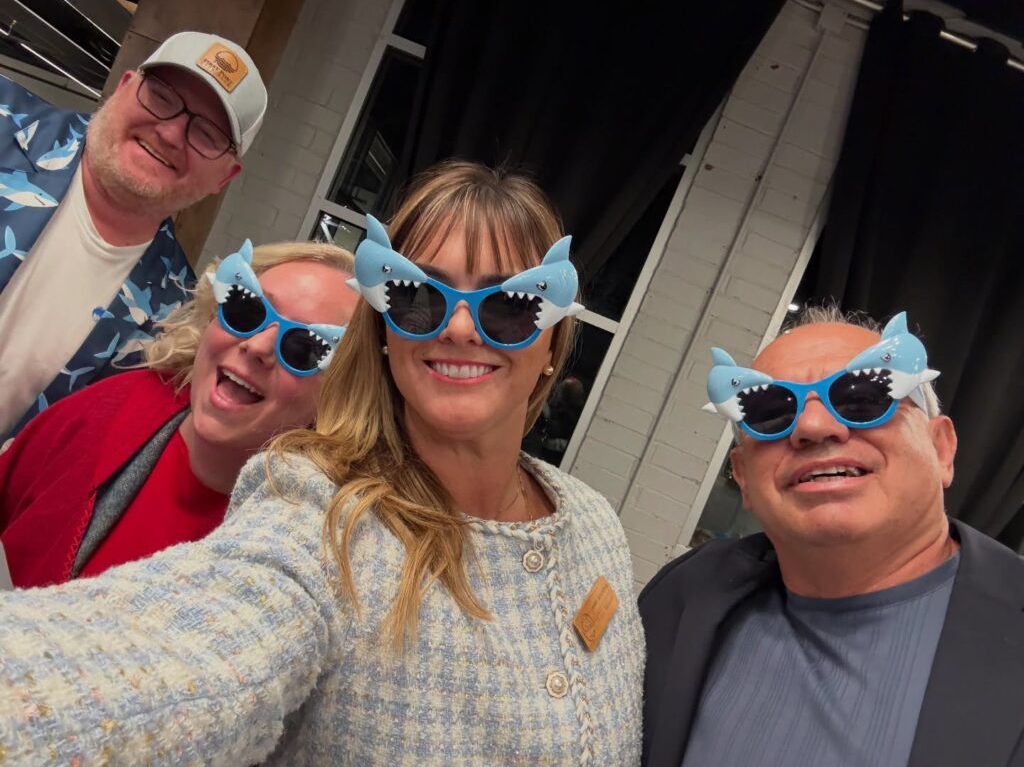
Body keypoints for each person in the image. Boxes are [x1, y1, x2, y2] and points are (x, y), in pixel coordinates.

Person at [0, 160, 644, 765]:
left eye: (511, 306)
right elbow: (183, 660)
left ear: (553, 344)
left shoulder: (593, 523)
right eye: (417, 296)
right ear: (384, 334)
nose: (457, 327)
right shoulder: (318, 515)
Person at [640, 307, 1024, 767]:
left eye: (863, 396)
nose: (813, 426)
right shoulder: (686, 591)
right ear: (743, 479)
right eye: (769, 411)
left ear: (941, 449)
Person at [0, 239, 357, 588]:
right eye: (247, 309)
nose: (256, 345)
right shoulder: (118, 404)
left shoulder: (307, 557)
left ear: (341, 400)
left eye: (306, 347)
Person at [0, 30, 268, 436]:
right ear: (124, 86)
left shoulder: (173, 324)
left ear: (225, 177)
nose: (170, 133)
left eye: (207, 134)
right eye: (161, 96)